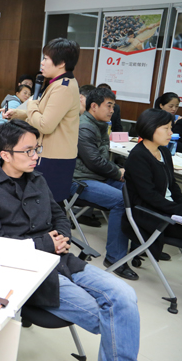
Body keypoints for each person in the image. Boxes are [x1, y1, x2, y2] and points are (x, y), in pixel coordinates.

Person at [0, 120, 140, 361]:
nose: (35, 156)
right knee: (110, 317)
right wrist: (46, 243)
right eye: (28, 151)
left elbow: (59, 215)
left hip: (61, 259)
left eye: (36, 149)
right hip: (26, 271)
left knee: (125, 295)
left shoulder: (37, 179)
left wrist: (62, 237)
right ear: (5, 154)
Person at [4, 38, 81, 203]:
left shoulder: (63, 87)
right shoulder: (57, 84)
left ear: (61, 63)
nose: (42, 62)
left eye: (46, 58)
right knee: (40, 202)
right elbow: (45, 113)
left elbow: (45, 125)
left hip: (55, 158)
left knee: (47, 204)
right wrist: (18, 114)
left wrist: (31, 104)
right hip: (50, 154)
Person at [73, 88, 137, 280]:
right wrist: (117, 172)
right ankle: (115, 258)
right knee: (121, 200)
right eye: (109, 106)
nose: (112, 110)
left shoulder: (99, 124)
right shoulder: (85, 127)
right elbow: (94, 161)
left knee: (135, 192)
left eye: (113, 106)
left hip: (97, 176)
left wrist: (117, 171)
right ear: (94, 106)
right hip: (80, 180)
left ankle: (138, 248)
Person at [124, 108, 182, 261]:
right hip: (151, 214)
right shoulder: (138, 156)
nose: (171, 133)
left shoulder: (164, 151)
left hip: (168, 210)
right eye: (166, 128)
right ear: (150, 127)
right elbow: (149, 196)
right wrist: (179, 210)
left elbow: (172, 184)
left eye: (171, 128)